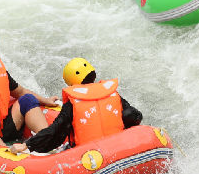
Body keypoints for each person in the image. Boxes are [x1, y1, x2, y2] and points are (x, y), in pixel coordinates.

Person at [9, 58, 142, 154]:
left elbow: (54, 133)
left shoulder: (72, 104)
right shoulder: (113, 94)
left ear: (71, 83)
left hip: (90, 157)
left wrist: (27, 145)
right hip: (119, 150)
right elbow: (135, 115)